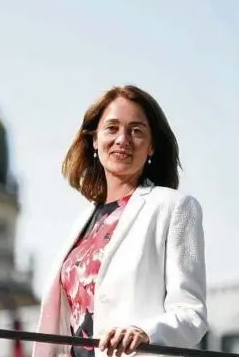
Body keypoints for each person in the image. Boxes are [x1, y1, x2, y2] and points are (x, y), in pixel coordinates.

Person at [32, 85, 208, 357]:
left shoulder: (175, 208)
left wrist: (144, 332)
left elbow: (191, 313)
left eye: (136, 131)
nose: (122, 139)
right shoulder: (81, 223)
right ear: (94, 140)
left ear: (151, 146)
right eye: (111, 128)